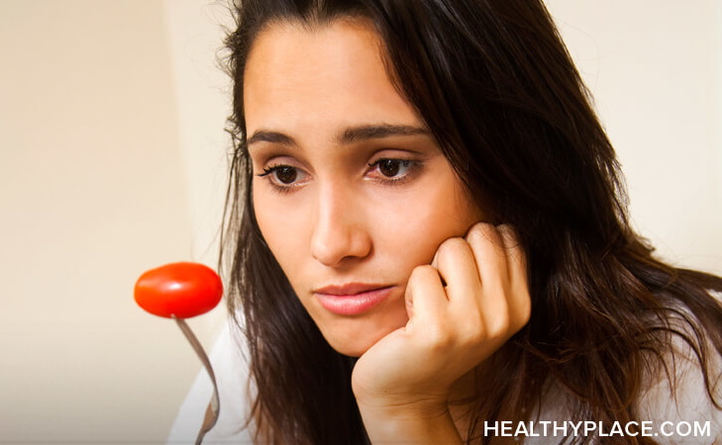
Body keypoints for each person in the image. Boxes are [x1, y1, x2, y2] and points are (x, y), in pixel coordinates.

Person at [171, 0, 722, 443]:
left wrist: (405, 413)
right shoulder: (258, 352)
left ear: (510, 156)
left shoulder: (681, 370)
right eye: (285, 173)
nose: (330, 244)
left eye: (390, 166)